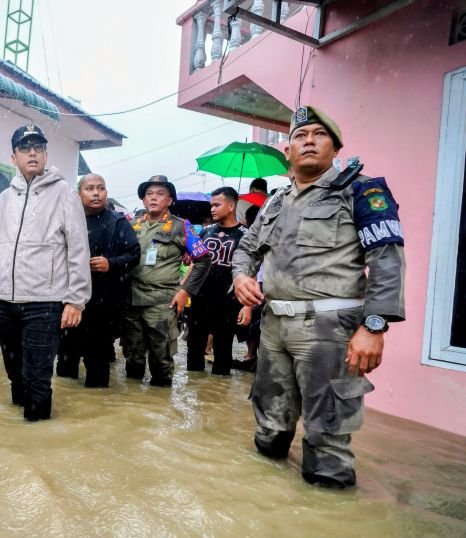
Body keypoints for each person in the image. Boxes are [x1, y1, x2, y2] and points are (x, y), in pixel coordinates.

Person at [232, 106, 406, 488]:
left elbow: (387, 261)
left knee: (327, 441)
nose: (309, 140)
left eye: (319, 134)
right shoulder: (277, 201)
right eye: (300, 135)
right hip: (274, 327)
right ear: (289, 151)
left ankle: (328, 519)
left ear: (335, 146)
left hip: (328, 330)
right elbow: (245, 247)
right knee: (270, 428)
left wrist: (374, 326)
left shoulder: (362, 190)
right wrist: (241, 275)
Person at [0, 123, 91, 421]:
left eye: (38, 147)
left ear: (45, 153)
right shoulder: (2, 199)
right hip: (7, 303)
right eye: (25, 148)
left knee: (37, 377)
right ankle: (18, 444)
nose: (32, 153)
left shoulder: (64, 193)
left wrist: (76, 300)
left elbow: (78, 249)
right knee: (15, 373)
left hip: (45, 302)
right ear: (13, 157)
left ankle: (36, 437)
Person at [122, 175, 211, 387]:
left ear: (170, 200)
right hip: (131, 301)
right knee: (132, 356)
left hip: (162, 302)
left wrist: (185, 291)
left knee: (161, 358)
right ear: (143, 200)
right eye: (149, 194)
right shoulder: (131, 225)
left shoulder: (181, 227)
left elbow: (203, 259)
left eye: (160, 194)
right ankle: (129, 407)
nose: (153, 198)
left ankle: (160, 407)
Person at [56, 173, 140, 387]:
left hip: (104, 305)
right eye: (90, 188)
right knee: (66, 362)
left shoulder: (118, 222)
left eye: (100, 188)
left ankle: (95, 408)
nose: (96, 193)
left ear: (106, 193)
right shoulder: (67, 220)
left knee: (98, 365)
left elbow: (134, 254)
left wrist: (111, 263)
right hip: (69, 302)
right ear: (78, 194)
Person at [186, 187, 249, 376]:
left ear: (231, 206)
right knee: (194, 347)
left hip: (228, 300)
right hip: (200, 297)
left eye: (216, 205)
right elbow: (195, 263)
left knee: (223, 349)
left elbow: (250, 271)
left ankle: (219, 390)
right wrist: (184, 288)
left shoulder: (245, 235)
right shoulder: (205, 232)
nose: (212, 209)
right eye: (211, 205)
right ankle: (195, 389)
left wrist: (246, 306)